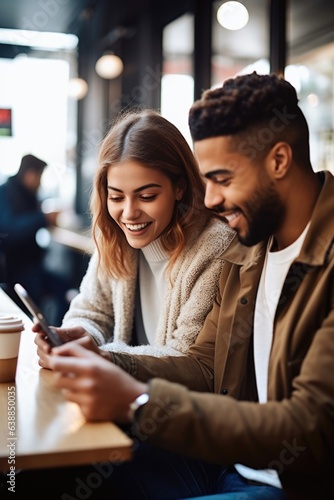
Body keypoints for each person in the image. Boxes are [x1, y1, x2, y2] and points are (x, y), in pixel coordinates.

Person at [28, 72, 334, 499]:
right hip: (231, 462)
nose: (208, 200)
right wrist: (107, 360)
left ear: (279, 161)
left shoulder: (243, 245)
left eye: (223, 179)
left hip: (288, 484)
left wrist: (137, 401)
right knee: (43, 477)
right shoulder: (252, 248)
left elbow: (308, 430)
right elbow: (203, 364)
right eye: (206, 180)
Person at [35, 109, 234, 362]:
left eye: (147, 196)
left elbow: (187, 361)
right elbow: (92, 311)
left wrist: (101, 356)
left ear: (180, 188)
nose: (129, 214)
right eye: (116, 197)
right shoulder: (114, 237)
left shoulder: (214, 247)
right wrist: (77, 337)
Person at [0, 154, 70, 325]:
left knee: (65, 288)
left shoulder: (26, 195)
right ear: (30, 174)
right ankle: (51, 335)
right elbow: (11, 230)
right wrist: (44, 218)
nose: (40, 183)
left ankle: (57, 335)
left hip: (31, 267)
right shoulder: (6, 192)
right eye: (39, 177)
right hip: (15, 271)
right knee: (61, 290)